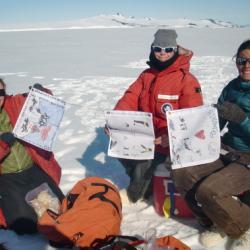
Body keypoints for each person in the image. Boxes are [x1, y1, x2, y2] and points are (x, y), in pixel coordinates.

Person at [108, 29, 203, 203]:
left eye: (168, 50)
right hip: (146, 136)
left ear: (174, 50)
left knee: (144, 164)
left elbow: (193, 120)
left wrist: (171, 137)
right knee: (118, 145)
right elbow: (129, 98)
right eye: (158, 49)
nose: (162, 54)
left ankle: (132, 196)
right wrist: (116, 122)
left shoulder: (186, 80)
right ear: (152, 49)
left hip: (172, 143)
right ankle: (147, 183)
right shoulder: (146, 75)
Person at [172, 40, 250, 250]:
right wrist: (205, 122)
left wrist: (242, 119)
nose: (246, 65)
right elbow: (217, 122)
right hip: (228, 149)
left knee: (209, 190)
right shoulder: (232, 87)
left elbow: (239, 119)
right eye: (242, 60)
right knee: (181, 172)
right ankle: (216, 221)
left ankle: (244, 226)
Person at [0, 79, 64, 235]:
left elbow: (46, 105)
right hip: (6, 178)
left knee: (60, 207)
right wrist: (2, 144)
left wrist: (41, 93)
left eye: (0, 92)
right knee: (24, 225)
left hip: (32, 169)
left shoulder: (13, 104)